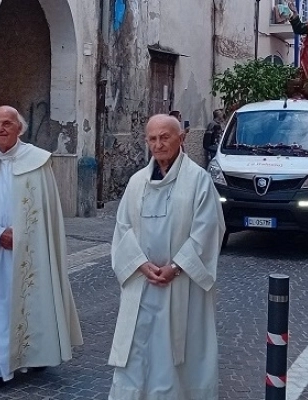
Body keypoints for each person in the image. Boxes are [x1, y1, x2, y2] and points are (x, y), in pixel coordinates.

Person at [0, 106, 83, 396]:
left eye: (7, 124)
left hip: (28, 251)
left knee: (28, 302)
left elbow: (46, 211)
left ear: (20, 128)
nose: (1, 129)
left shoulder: (38, 162)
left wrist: (24, 235)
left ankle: (29, 356)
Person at [108, 114, 225, 399]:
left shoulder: (199, 181)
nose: (158, 144)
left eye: (165, 137)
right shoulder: (136, 183)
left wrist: (176, 267)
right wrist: (140, 264)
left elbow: (208, 229)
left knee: (178, 352)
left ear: (181, 139)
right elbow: (122, 229)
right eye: (152, 138)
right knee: (138, 350)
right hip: (143, 283)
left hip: (182, 285)